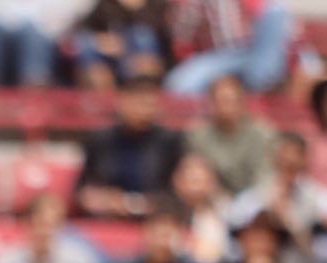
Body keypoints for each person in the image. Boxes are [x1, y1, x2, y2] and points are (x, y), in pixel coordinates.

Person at [74, 76, 186, 221]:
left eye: (151, 105)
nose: (146, 110)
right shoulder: (100, 139)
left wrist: (152, 203)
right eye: (140, 103)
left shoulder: (169, 141)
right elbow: (83, 190)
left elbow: (178, 189)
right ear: (123, 102)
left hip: (156, 219)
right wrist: (105, 199)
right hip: (108, 218)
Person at [228, 132, 327, 252]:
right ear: (271, 158)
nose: (289, 160)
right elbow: (234, 239)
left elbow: (326, 252)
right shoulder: (250, 199)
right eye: (283, 158)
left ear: (306, 160)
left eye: (295, 158)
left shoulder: (324, 199)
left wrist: (291, 222)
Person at [164, 0, 297, 98]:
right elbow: (182, 35)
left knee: (276, 11)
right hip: (217, 57)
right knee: (180, 86)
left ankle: (266, 85)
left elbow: (284, 36)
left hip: (254, 54)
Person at [186, 74, 273, 199]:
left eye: (230, 100)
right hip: (213, 199)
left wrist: (250, 202)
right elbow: (200, 173)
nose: (225, 107)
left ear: (242, 102)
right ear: (211, 103)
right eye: (220, 101)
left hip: (256, 197)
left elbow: (265, 176)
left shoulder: (262, 133)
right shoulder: (198, 134)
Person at [73, 0, 173, 91]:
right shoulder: (106, 4)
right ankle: (103, 93)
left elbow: (162, 35)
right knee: (86, 42)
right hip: (114, 58)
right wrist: (103, 40)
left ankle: (144, 88)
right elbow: (84, 27)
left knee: (142, 35)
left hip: (148, 58)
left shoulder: (158, 5)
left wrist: (125, 44)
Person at [0, 0, 67, 89]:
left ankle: (35, 80)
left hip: (40, 44)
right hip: (4, 45)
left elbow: (59, 25)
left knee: (30, 30)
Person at [169, 152, 232, 263]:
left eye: (202, 181)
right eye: (193, 181)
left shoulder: (225, 211)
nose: (197, 188)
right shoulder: (166, 212)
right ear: (177, 181)